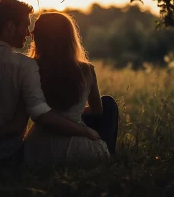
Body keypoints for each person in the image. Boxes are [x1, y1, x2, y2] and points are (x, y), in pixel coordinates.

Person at [0, 0, 100, 166]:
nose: (29, 34)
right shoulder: (25, 66)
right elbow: (36, 117)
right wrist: (86, 131)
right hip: (7, 156)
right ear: (10, 27)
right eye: (26, 26)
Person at [24, 12, 118, 167]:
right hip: (78, 150)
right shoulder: (87, 70)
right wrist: (73, 113)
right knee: (108, 104)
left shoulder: (30, 68)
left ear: (39, 38)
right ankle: (110, 153)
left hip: (38, 150)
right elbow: (97, 111)